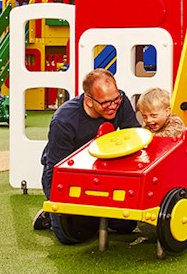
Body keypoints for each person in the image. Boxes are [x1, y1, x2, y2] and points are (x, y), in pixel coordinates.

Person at [32, 68, 141, 239]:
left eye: (116, 99)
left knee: (126, 225)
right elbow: (54, 168)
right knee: (73, 237)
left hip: (101, 169)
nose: (113, 106)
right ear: (89, 101)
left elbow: (135, 136)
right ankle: (52, 217)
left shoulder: (120, 101)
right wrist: (56, 202)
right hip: (68, 174)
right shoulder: (64, 120)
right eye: (106, 103)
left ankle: (94, 216)